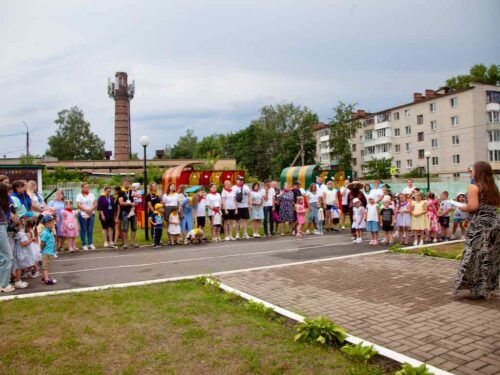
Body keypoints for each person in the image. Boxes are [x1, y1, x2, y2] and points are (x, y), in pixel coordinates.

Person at [453, 161, 500, 300]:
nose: (470, 172)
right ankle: (488, 287)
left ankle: (476, 288)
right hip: (494, 224)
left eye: (472, 170)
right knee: (491, 257)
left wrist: (462, 207)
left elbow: (473, 206)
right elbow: (496, 204)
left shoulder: (473, 187)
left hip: (479, 226)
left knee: (474, 256)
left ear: (478, 171)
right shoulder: (493, 187)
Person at [0, 182, 15, 292]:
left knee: (3, 257)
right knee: (7, 257)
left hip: (3, 228)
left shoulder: (4, 202)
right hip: (0, 229)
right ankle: (3, 285)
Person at [12, 216, 36, 289]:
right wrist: (31, 239)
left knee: (18, 266)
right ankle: (18, 281)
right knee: (18, 267)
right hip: (20, 252)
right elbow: (23, 244)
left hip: (17, 251)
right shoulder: (22, 235)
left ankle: (17, 279)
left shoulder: (18, 234)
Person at [117, 179, 138, 249]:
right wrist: (130, 204)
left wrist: (133, 208)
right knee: (125, 228)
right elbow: (121, 202)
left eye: (128, 183)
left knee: (134, 228)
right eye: (126, 183)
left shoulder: (132, 191)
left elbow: (136, 202)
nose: (127, 185)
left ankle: (133, 242)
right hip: (125, 212)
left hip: (133, 211)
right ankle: (125, 243)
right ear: (123, 184)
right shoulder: (121, 192)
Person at [75, 183, 97, 250]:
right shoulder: (79, 195)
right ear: (82, 188)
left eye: (88, 187)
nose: (87, 188)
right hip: (82, 214)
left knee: (90, 229)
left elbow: (95, 203)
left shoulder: (91, 195)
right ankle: (84, 244)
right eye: (85, 187)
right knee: (83, 229)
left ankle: (90, 243)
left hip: (91, 213)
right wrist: (86, 210)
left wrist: (91, 209)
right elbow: (78, 205)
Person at [40, 214, 57, 285]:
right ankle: (46, 279)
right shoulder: (45, 232)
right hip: (46, 252)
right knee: (45, 267)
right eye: (51, 223)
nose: (53, 224)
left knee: (46, 265)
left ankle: (45, 277)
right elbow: (42, 243)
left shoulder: (49, 231)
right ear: (46, 224)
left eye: (53, 222)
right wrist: (41, 249)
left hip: (49, 252)